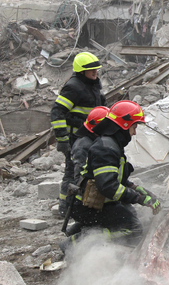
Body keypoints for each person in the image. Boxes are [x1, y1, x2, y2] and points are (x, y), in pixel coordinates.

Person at [61, 101, 161, 252]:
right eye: (134, 127)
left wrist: (138, 189)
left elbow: (116, 179)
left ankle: (85, 230)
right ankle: (77, 242)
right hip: (88, 206)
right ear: (125, 125)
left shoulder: (111, 145)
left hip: (96, 203)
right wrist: (139, 199)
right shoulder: (106, 148)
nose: (134, 133)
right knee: (133, 230)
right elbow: (107, 186)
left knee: (126, 215)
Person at [50, 52, 106, 217]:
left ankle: (82, 204)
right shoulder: (73, 87)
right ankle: (65, 206)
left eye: (96, 70)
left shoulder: (93, 85)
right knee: (72, 172)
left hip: (90, 136)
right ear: (81, 71)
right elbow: (57, 112)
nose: (95, 73)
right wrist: (62, 139)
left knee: (85, 171)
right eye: (92, 70)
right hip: (75, 138)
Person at [64, 106, 109, 237]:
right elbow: (81, 176)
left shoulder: (91, 141)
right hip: (84, 198)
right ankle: (73, 241)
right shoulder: (83, 146)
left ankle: (76, 232)